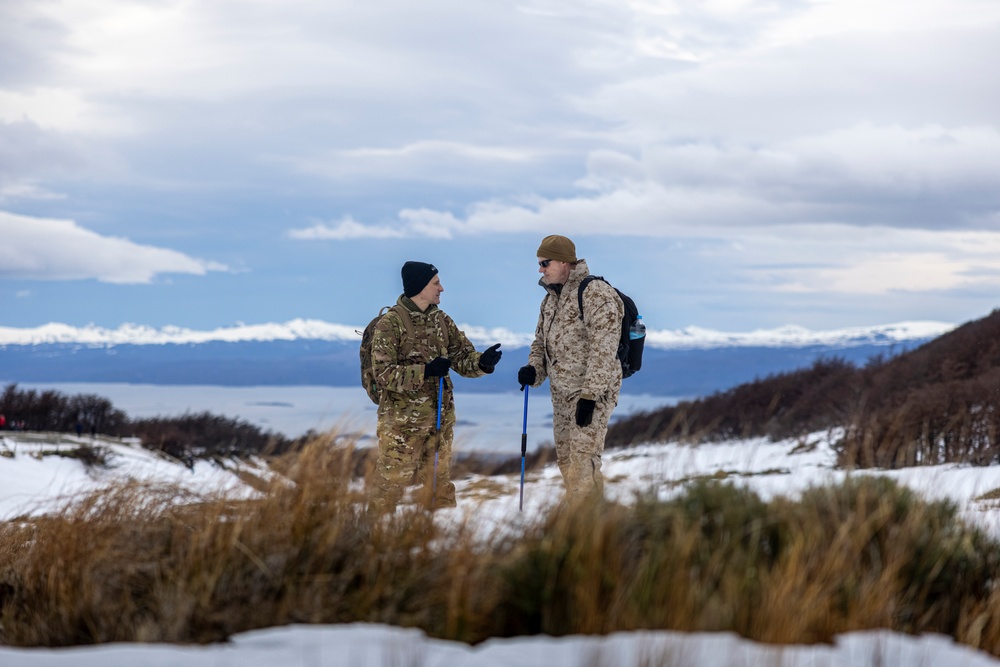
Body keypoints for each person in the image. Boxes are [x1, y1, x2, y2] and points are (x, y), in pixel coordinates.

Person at [368, 261, 503, 514]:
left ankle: (440, 540)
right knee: (389, 488)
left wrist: (482, 363)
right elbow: (384, 374)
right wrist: (427, 371)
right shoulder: (390, 324)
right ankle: (372, 539)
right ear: (420, 287)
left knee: (439, 487)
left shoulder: (442, 320)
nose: (442, 288)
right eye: (436, 283)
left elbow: (463, 357)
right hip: (401, 425)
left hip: (440, 421)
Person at [518, 235, 624, 500]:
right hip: (562, 396)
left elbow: (604, 348)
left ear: (565, 261)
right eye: (540, 263)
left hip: (590, 396)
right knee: (567, 463)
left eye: (545, 262)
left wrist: (590, 396)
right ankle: (584, 524)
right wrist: (534, 370)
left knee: (582, 464)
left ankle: (590, 529)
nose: (540, 269)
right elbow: (541, 342)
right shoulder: (551, 299)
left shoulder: (594, 293)